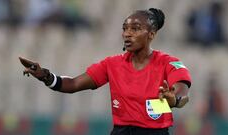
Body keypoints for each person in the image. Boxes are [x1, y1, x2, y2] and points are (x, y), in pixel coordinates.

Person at [19, 8, 191, 135]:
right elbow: (73, 84)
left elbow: (182, 92)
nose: (127, 34)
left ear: (151, 34)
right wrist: (46, 76)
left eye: (136, 28)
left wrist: (174, 100)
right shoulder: (112, 64)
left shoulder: (169, 63)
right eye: (125, 28)